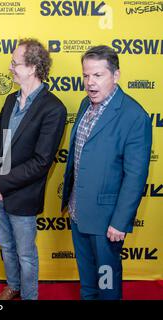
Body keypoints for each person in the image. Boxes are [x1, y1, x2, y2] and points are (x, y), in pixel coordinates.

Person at [61, 45, 152, 300]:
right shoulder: (84, 104)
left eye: (98, 75)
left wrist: (119, 221)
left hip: (106, 221)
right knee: (88, 282)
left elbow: (135, 176)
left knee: (106, 283)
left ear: (116, 75)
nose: (90, 83)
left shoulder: (134, 116)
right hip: (79, 212)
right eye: (86, 75)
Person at [0, 39, 67, 300]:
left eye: (14, 63)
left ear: (32, 67)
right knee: (6, 247)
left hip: (23, 194)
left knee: (25, 253)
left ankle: (30, 295)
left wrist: (2, 183)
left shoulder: (53, 108)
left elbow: (42, 162)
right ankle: (13, 286)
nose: (10, 68)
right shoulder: (10, 100)